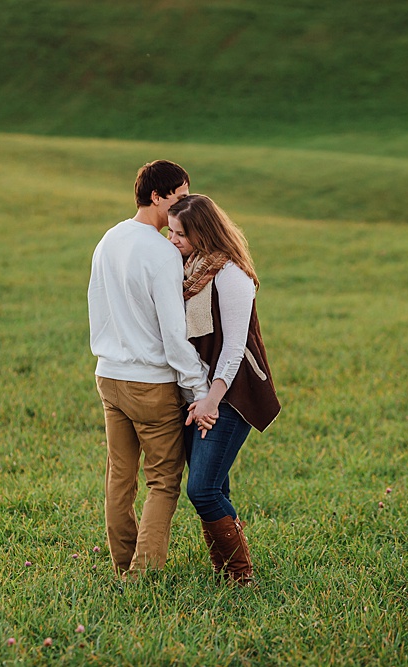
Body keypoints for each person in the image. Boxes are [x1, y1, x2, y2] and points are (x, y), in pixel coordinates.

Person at [87, 160, 217, 577]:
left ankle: (124, 566)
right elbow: (174, 335)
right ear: (156, 197)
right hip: (151, 384)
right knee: (163, 481)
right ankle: (143, 576)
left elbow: (98, 308)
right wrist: (199, 389)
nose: (186, 205)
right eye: (179, 197)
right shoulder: (162, 252)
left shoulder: (109, 239)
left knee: (119, 479)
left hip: (109, 376)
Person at [166, 194, 281, 586]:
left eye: (181, 233)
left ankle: (239, 572)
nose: (173, 239)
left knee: (202, 489)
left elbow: (234, 347)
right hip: (197, 394)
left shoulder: (232, 276)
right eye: (170, 231)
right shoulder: (188, 269)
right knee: (215, 483)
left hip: (232, 394)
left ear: (203, 231)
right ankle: (223, 567)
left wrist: (211, 401)